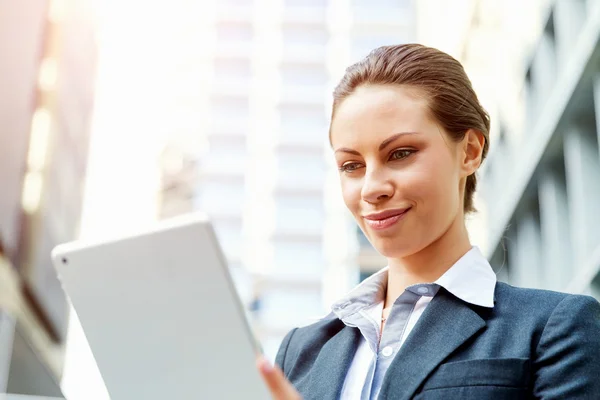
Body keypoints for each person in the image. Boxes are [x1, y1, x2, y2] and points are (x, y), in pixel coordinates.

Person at [255, 43, 600, 399]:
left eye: (400, 154)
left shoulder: (552, 327)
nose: (372, 188)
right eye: (351, 166)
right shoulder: (301, 351)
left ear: (469, 151)